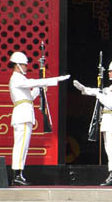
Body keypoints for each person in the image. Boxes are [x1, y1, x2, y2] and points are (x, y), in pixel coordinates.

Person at [9, 51, 70, 186]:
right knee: (20, 146)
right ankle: (16, 175)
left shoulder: (20, 79)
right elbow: (32, 82)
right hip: (22, 115)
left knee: (23, 147)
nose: (26, 67)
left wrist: (40, 88)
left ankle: (19, 174)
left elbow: (29, 97)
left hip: (25, 114)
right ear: (17, 65)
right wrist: (55, 80)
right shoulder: (16, 78)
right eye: (24, 65)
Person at [73, 59, 112, 186]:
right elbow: (98, 92)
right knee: (109, 149)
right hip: (107, 120)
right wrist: (84, 89)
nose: (109, 73)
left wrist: (100, 96)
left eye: (111, 71)